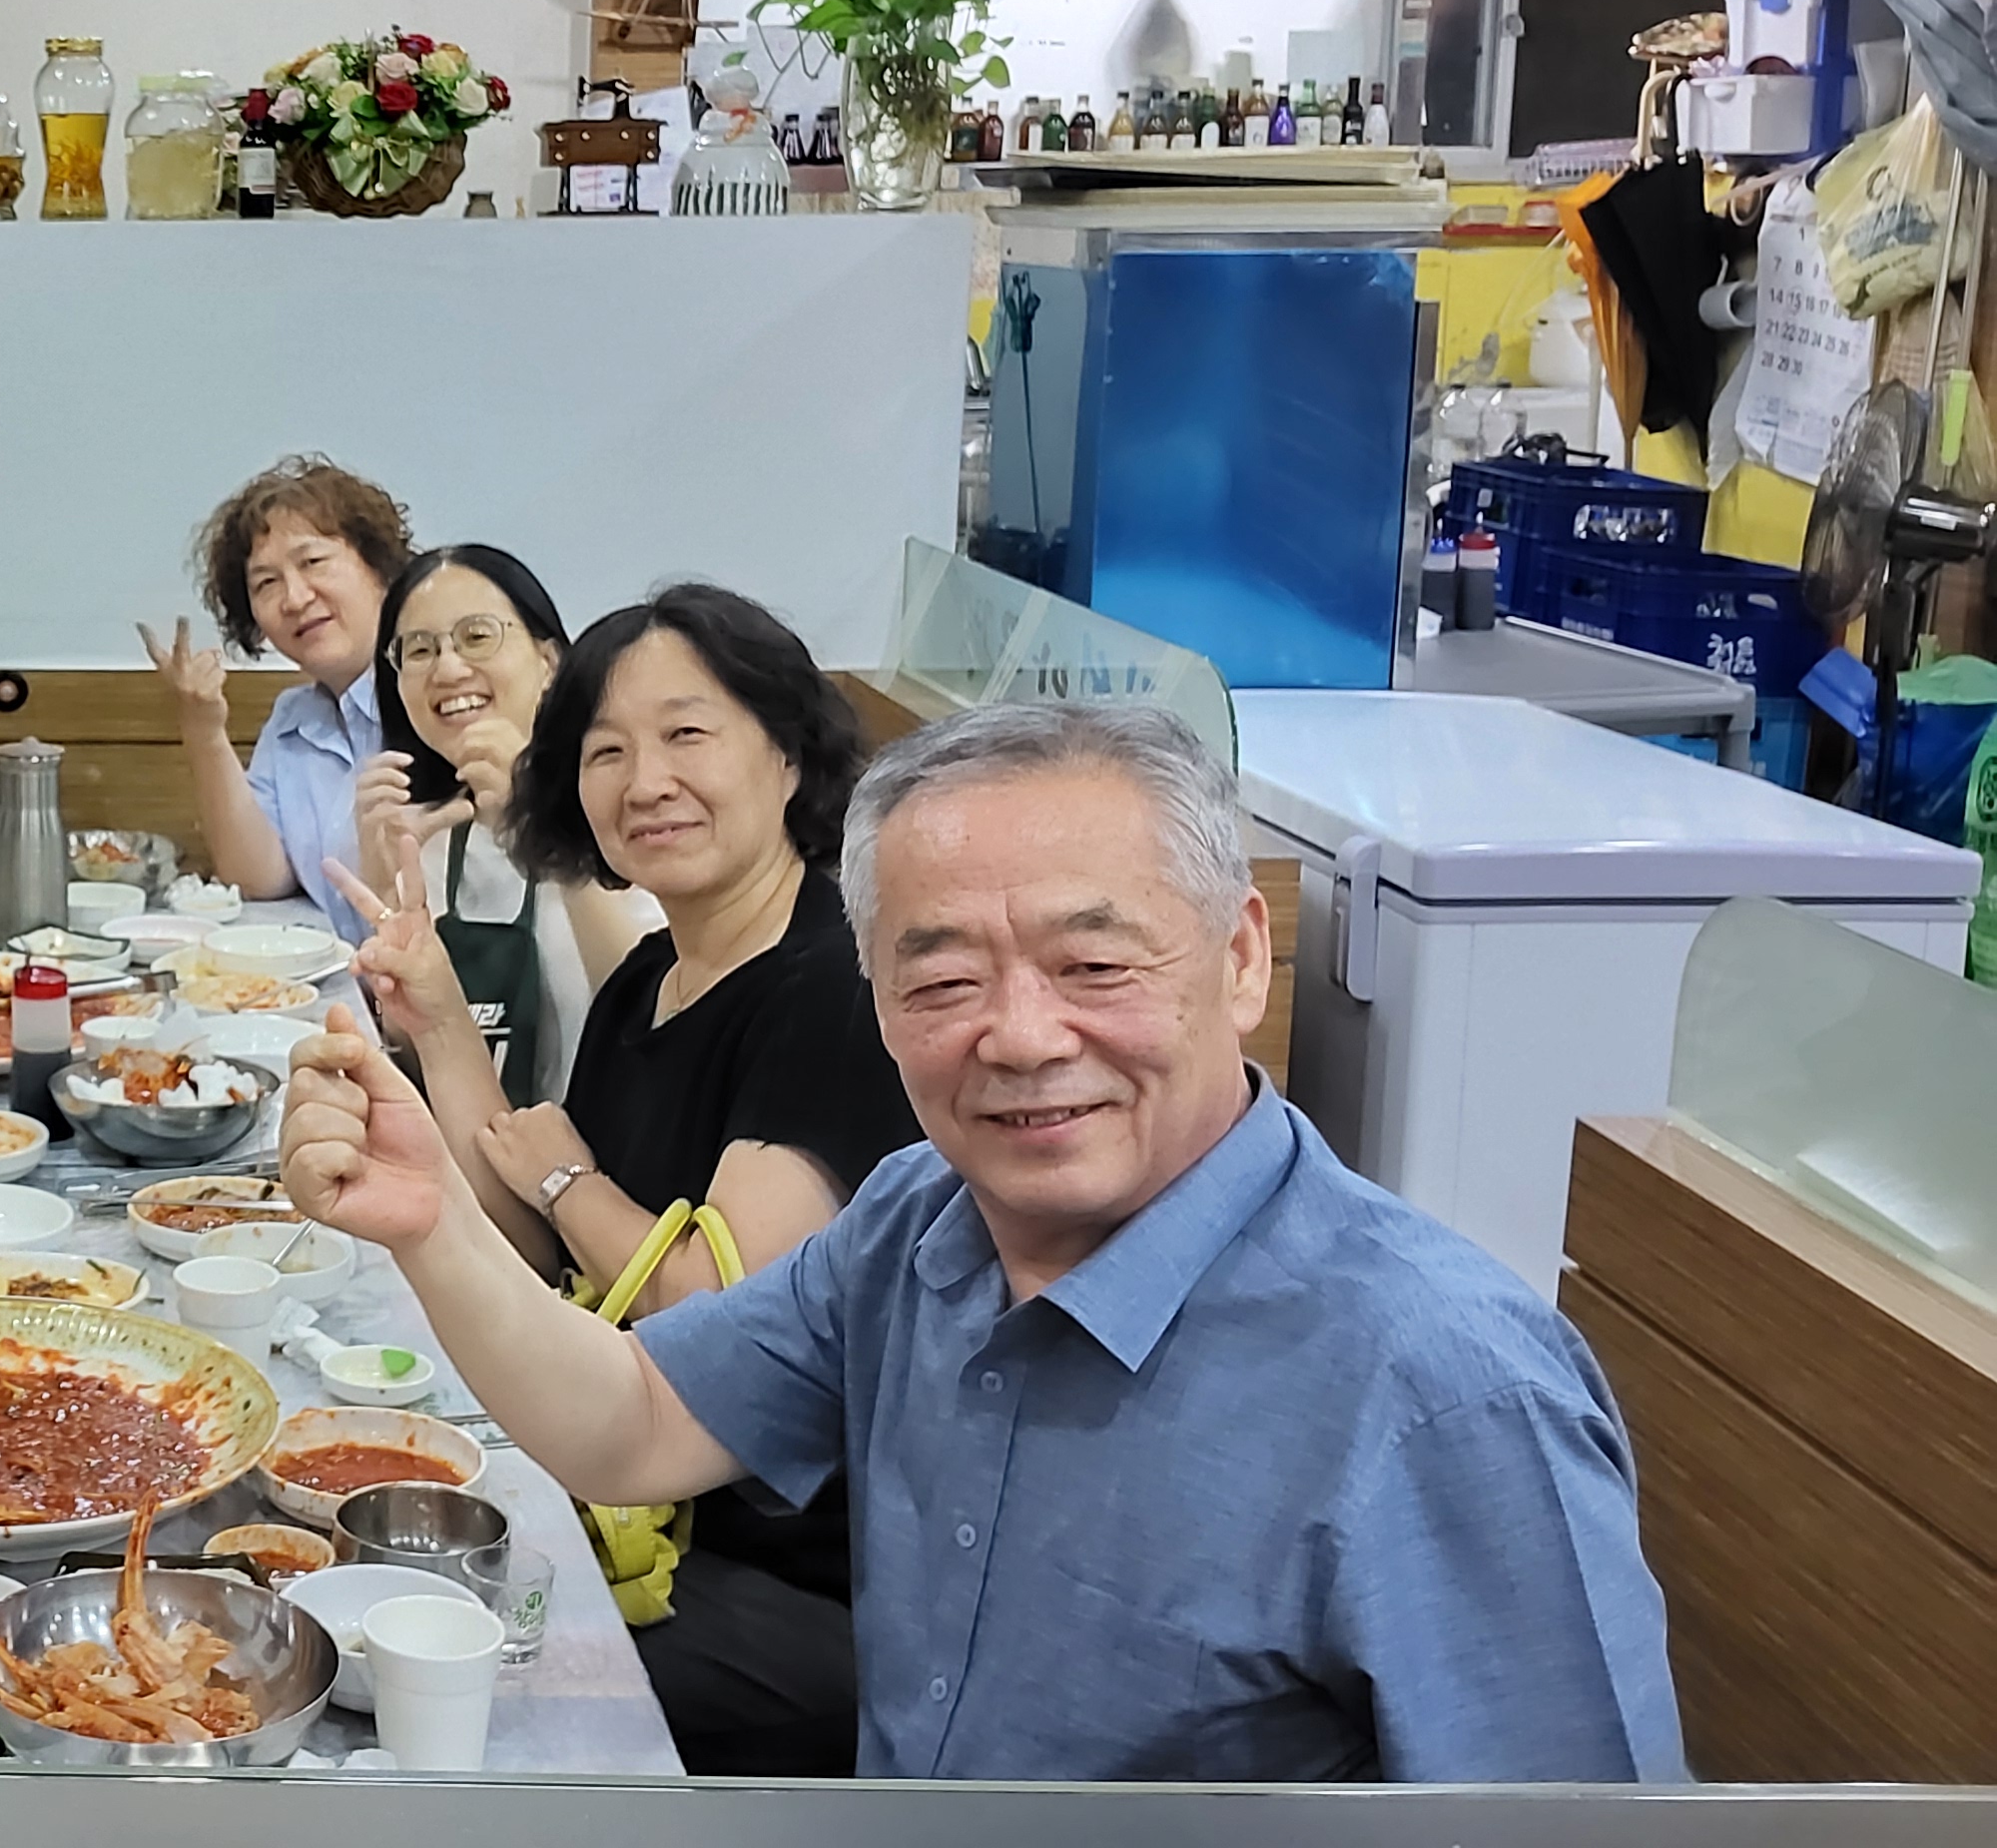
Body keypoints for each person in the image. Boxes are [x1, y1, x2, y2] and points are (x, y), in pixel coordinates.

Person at [281, 700, 1684, 1782]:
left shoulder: (1447, 1392)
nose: (1019, 1036)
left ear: (1243, 958)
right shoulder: (921, 1222)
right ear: (877, 1003)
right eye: (944, 978)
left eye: (1094, 965)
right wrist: (432, 1220)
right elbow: (635, 1421)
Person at [337, 581, 916, 1775]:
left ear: (790, 756)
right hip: (625, 1506)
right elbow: (536, 1242)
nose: (645, 780)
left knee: (425, 1696)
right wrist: (438, 1025)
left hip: (778, 1574)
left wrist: (569, 1183)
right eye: (605, 751)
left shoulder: (835, 989)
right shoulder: (651, 976)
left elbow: (710, 1306)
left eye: (687, 734)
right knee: (349, 1600)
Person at [348, 544, 660, 1107]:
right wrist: (384, 904)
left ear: (549, 662)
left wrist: (542, 826)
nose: (447, 669)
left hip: (616, 1144)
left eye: (476, 636)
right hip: (476, 1145)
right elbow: (423, 1062)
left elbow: (659, 1017)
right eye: (419, 649)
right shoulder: (426, 836)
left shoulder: (630, 803)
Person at [142, 454, 413, 939]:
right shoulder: (293, 718)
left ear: (379, 568)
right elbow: (258, 877)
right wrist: (203, 730)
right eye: (266, 583)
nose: (295, 598)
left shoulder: (435, 697)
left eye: (313, 563)